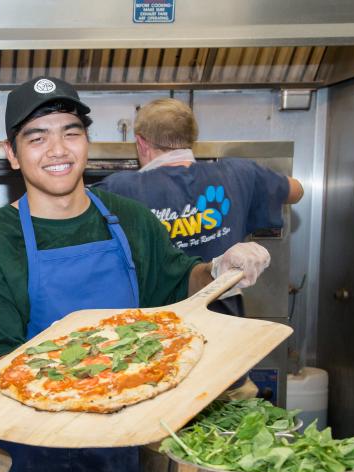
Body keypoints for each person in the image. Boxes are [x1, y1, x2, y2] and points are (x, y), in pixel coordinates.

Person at [0, 76, 271, 472]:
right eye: (37, 138)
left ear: (87, 142)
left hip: (136, 454)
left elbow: (177, 284)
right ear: (11, 154)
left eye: (71, 133)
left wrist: (215, 269)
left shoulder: (130, 219)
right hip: (34, 468)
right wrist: (81, 387)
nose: (58, 150)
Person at [97, 97, 304, 397]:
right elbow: (295, 190)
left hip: (153, 356)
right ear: (190, 140)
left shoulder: (119, 190)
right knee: (224, 435)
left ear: (141, 144)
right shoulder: (237, 174)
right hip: (225, 354)